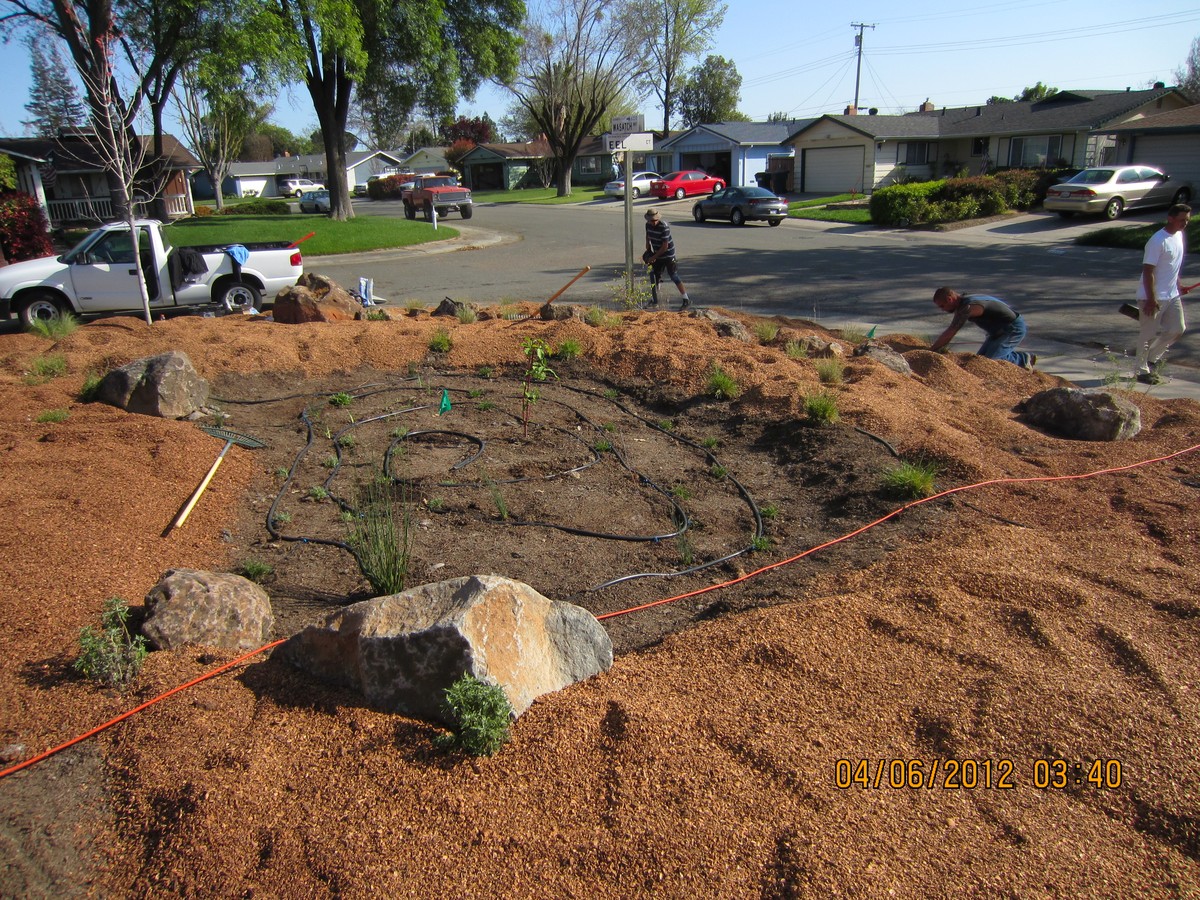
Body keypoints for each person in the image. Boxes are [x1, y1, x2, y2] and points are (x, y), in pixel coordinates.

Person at [1134, 203, 1193, 385]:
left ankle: (1151, 358)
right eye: (1182, 220)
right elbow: (1148, 271)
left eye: (1187, 220)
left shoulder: (1179, 235)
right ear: (1171, 218)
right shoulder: (1157, 240)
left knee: (1177, 329)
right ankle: (1141, 370)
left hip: (1172, 294)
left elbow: (1173, 266)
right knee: (1148, 334)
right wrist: (1151, 299)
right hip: (1152, 296)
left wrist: (1178, 285)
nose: (1185, 223)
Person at [929, 287, 1035, 369]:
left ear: (949, 299)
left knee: (992, 362)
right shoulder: (965, 300)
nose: (942, 310)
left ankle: (1022, 359)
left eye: (942, 306)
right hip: (996, 332)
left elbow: (951, 331)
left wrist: (931, 350)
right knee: (979, 361)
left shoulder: (968, 307)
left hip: (1012, 328)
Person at [643, 208, 691, 311]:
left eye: (655, 220)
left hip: (668, 255)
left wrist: (653, 257)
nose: (653, 222)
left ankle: (686, 299)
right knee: (655, 275)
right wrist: (648, 248)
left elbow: (665, 246)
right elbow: (648, 236)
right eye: (651, 220)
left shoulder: (664, 226)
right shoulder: (648, 225)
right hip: (657, 253)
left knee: (673, 275)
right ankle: (655, 299)